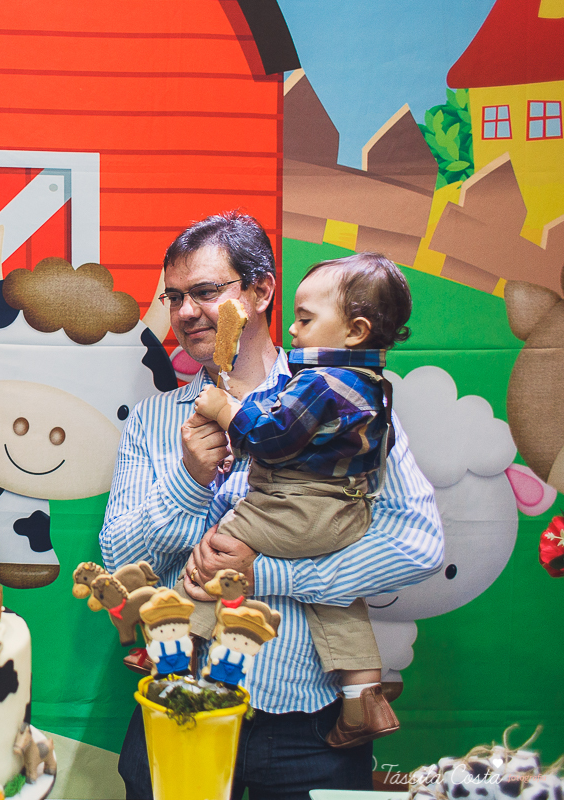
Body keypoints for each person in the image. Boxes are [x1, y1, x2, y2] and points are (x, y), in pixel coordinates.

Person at [99, 212, 443, 800]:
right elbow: (121, 554)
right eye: (174, 296)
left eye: (206, 291)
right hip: (181, 710)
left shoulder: (343, 397)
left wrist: (268, 573)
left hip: (306, 729)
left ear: (262, 292)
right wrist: (189, 479)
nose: (184, 313)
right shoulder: (156, 420)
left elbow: (417, 541)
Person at [189, 252, 413, 748]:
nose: (292, 329)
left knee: (220, 546)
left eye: (306, 319)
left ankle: (178, 647)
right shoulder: (375, 386)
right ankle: (363, 694)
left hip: (299, 504)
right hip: (347, 511)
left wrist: (228, 410)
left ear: (355, 330)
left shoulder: (319, 381)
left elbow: (270, 440)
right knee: (337, 597)